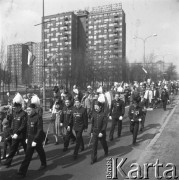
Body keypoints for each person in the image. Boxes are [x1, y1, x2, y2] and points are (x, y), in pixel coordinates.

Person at [17, 100, 47, 177]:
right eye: (27, 110)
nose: (28, 111)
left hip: (36, 139)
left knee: (40, 152)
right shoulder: (28, 117)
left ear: (34, 109)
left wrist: (36, 140)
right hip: (30, 138)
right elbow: (27, 128)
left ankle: (44, 163)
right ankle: (22, 172)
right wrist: (27, 137)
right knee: (28, 155)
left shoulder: (38, 117)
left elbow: (40, 130)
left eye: (30, 110)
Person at [2, 93, 27, 168]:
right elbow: (12, 123)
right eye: (14, 107)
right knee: (13, 149)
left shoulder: (24, 114)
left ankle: (28, 157)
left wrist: (18, 133)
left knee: (26, 147)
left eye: (15, 107)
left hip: (22, 134)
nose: (14, 109)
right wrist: (12, 132)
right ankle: (8, 162)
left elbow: (23, 125)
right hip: (15, 134)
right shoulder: (14, 114)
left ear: (19, 107)